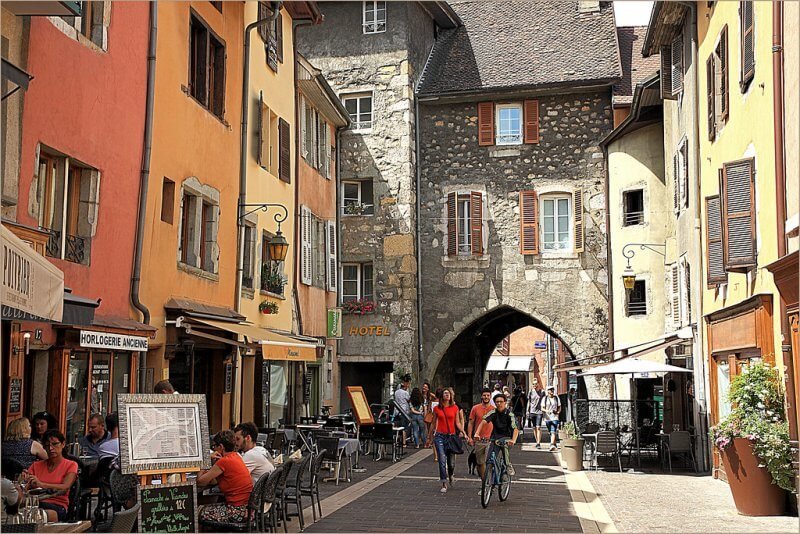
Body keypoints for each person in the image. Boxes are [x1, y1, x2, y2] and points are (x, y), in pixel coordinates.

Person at [197, 430, 253, 523]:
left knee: (196, 511)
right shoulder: (235, 456)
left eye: (215, 446)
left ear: (221, 447)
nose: (214, 449)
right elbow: (214, 481)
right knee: (209, 503)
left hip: (236, 512)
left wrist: (205, 460)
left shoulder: (224, 461)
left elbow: (200, 482)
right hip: (247, 509)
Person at [24, 429, 79, 522]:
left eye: (55, 444)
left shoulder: (71, 465)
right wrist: (25, 480)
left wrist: (41, 484)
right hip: (36, 503)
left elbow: (65, 487)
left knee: (38, 515)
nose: (50, 448)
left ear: (63, 444)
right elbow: (25, 487)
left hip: (57, 505)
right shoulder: (36, 465)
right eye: (47, 445)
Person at [425, 387, 465, 493]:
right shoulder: (437, 408)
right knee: (442, 459)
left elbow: (457, 422)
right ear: (442, 396)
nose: (447, 395)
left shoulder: (455, 408)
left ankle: (450, 475)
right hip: (439, 436)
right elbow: (433, 423)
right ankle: (444, 482)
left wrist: (463, 432)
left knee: (451, 463)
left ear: (451, 396)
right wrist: (429, 437)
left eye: (448, 393)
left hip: (451, 436)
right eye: (445, 393)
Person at [474, 394, 520, 476]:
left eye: (501, 402)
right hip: (495, 438)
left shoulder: (510, 415)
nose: (499, 404)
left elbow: (515, 428)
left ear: (505, 403)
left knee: (504, 447)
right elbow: (484, 421)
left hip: (507, 437)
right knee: (489, 459)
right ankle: (491, 480)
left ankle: (508, 465)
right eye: (497, 402)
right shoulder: (493, 412)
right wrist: (477, 433)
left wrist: (513, 440)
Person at [467, 388, 494, 480]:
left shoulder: (494, 409)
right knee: (479, 463)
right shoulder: (475, 408)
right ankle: (484, 482)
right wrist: (469, 437)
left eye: (488, 395)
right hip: (478, 440)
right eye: (484, 395)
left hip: (490, 440)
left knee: (488, 461)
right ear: (481, 396)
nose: (486, 397)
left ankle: (488, 482)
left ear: (490, 397)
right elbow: (471, 423)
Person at [542, 386, 561, 451]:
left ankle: (551, 445)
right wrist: (547, 411)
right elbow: (542, 408)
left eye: (553, 389)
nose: (552, 391)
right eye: (550, 390)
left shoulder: (556, 398)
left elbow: (559, 406)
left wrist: (558, 412)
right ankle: (554, 443)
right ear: (548, 391)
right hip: (547, 418)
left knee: (553, 431)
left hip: (555, 417)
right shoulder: (544, 399)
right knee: (551, 432)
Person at [393, 375, 412, 443]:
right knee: (404, 427)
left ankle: (397, 440)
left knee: (398, 426)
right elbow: (409, 400)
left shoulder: (396, 392)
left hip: (397, 411)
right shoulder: (405, 393)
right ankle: (404, 442)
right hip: (404, 411)